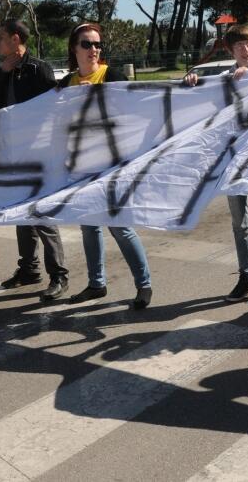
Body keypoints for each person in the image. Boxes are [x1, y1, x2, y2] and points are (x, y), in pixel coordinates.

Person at [184, 24, 248, 305]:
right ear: (231, 49)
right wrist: (192, 80)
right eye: (239, 45)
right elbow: (201, 100)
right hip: (234, 160)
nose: (245, 49)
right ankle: (246, 276)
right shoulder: (224, 78)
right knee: (239, 223)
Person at [60, 23, 153, 310]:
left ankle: (144, 284)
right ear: (74, 49)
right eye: (87, 44)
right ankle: (96, 283)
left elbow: (134, 109)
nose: (94, 50)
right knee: (89, 227)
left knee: (120, 227)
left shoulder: (110, 76)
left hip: (111, 166)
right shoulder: (66, 84)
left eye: (97, 45)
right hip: (81, 166)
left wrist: (97, 98)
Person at [0, 19, 70, 302]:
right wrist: (1, 73)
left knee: (42, 214)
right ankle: (28, 270)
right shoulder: (5, 72)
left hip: (39, 155)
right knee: (22, 213)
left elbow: (55, 104)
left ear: (15, 39)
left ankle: (59, 275)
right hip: (13, 153)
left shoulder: (38, 68)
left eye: (1, 38)